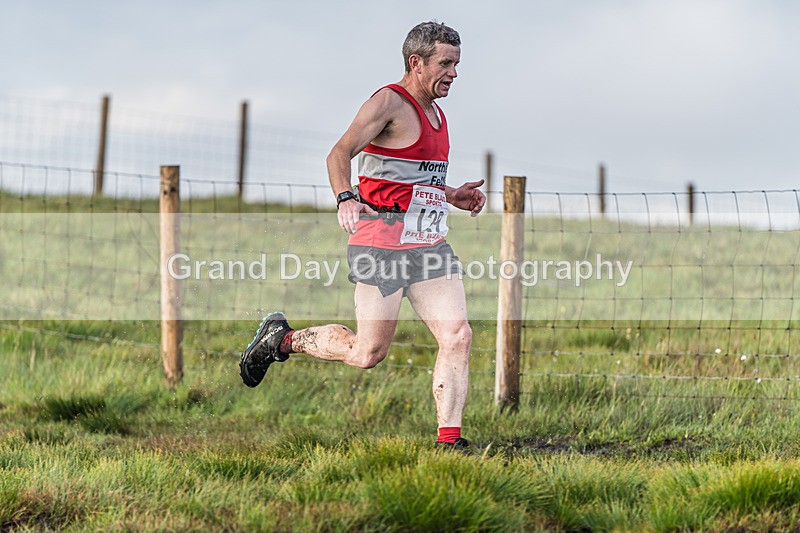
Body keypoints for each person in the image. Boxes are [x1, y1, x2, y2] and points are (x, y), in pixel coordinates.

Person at [240, 21, 485, 450]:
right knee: (367, 353)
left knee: (458, 336)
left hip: (428, 243)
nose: (454, 73)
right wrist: (345, 198)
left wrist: (452, 195)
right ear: (416, 62)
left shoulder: (437, 113)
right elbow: (338, 153)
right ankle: (281, 339)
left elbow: (411, 179)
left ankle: (449, 442)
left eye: (456, 64)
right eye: (446, 64)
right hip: (381, 241)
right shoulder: (388, 101)